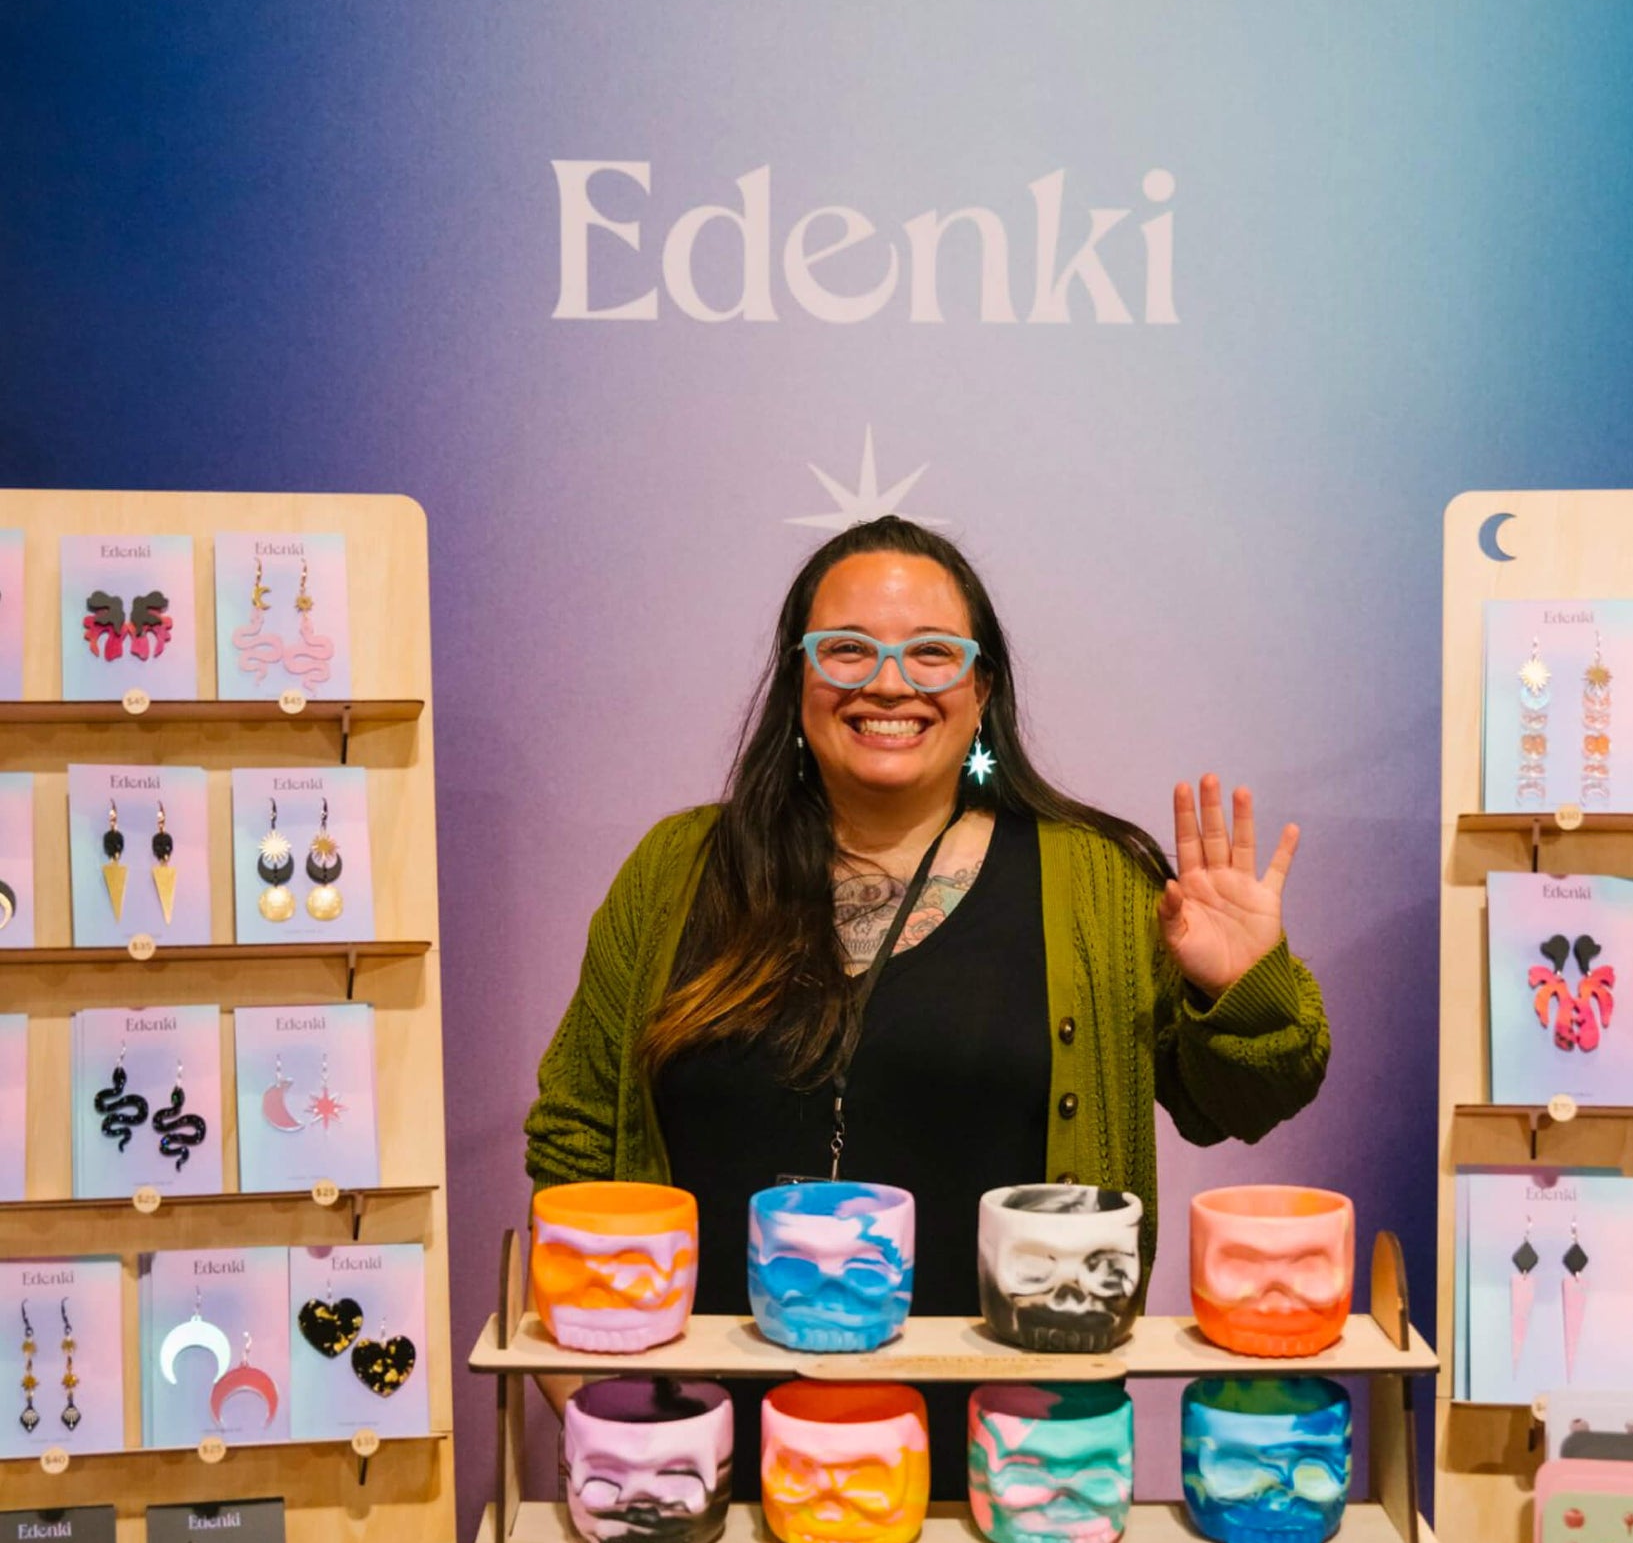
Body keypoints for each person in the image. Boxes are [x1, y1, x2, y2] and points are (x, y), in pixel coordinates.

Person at [524, 514, 1329, 1492]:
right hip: (698, 1474)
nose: (889, 682)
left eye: (932, 653)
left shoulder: (1098, 881)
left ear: (980, 689)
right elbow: (575, 1140)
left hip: (1014, 1481)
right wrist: (602, 1413)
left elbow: (1246, 1099)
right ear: (796, 678)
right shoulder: (676, 869)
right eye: (847, 648)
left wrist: (1236, 984)